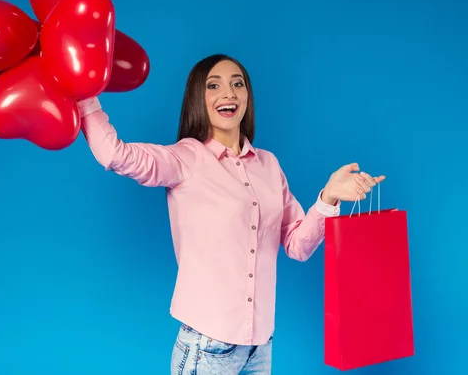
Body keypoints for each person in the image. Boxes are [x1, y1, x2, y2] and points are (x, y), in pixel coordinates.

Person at [76, 54, 385, 374]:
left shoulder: (269, 165)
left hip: (260, 348)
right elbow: (115, 154)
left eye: (238, 84)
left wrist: (329, 196)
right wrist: (84, 97)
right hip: (206, 348)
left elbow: (298, 246)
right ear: (198, 97)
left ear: (247, 97)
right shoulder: (184, 159)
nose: (229, 93)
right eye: (214, 85)